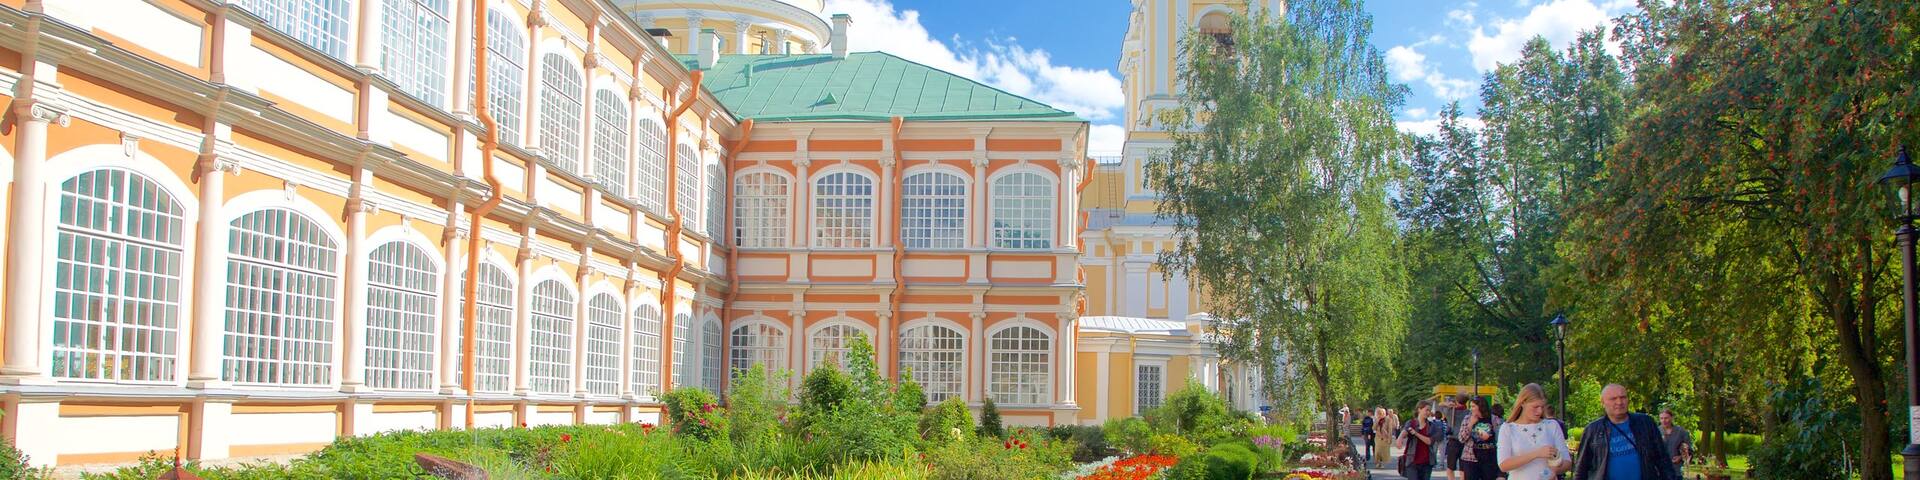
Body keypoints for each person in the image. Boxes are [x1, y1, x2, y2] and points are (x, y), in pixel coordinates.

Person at [1571, 384, 1680, 480]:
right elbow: (1581, 468)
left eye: (1623, 397)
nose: (1619, 402)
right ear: (1603, 402)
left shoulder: (1645, 423)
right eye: (1613, 399)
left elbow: (1663, 459)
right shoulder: (1593, 430)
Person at [1498, 384, 1572, 480]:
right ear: (1523, 403)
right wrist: (1536, 454)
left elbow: (1567, 462)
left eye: (1542, 407)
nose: (1540, 411)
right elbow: (1503, 465)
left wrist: (1553, 471)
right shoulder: (1508, 428)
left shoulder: (1552, 426)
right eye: (1535, 407)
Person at [1458, 397, 1501, 480]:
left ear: (1481, 406)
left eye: (1473, 406)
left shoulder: (1494, 419)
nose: (1471, 409)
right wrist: (1470, 424)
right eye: (1470, 406)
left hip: (1489, 457)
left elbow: (1499, 438)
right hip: (1471, 457)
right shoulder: (1467, 418)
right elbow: (1461, 439)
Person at [1399, 400, 1441, 480]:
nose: (1428, 412)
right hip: (1412, 461)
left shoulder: (1432, 426)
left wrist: (1416, 433)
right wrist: (1400, 439)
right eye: (1426, 410)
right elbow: (1405, 431)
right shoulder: (1411, 423)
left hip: (1427, 462)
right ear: (1419, 409)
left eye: (1429, 410)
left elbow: (1429, 441)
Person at [1445, 394, 1472, 480]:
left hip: (1453, 441)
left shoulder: (1450, 412)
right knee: (1463, 468)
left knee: (1450, 467)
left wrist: (1448, 404)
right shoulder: (1469, 413)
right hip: (1465, 441)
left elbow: (1440, 406)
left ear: (1456, 401)